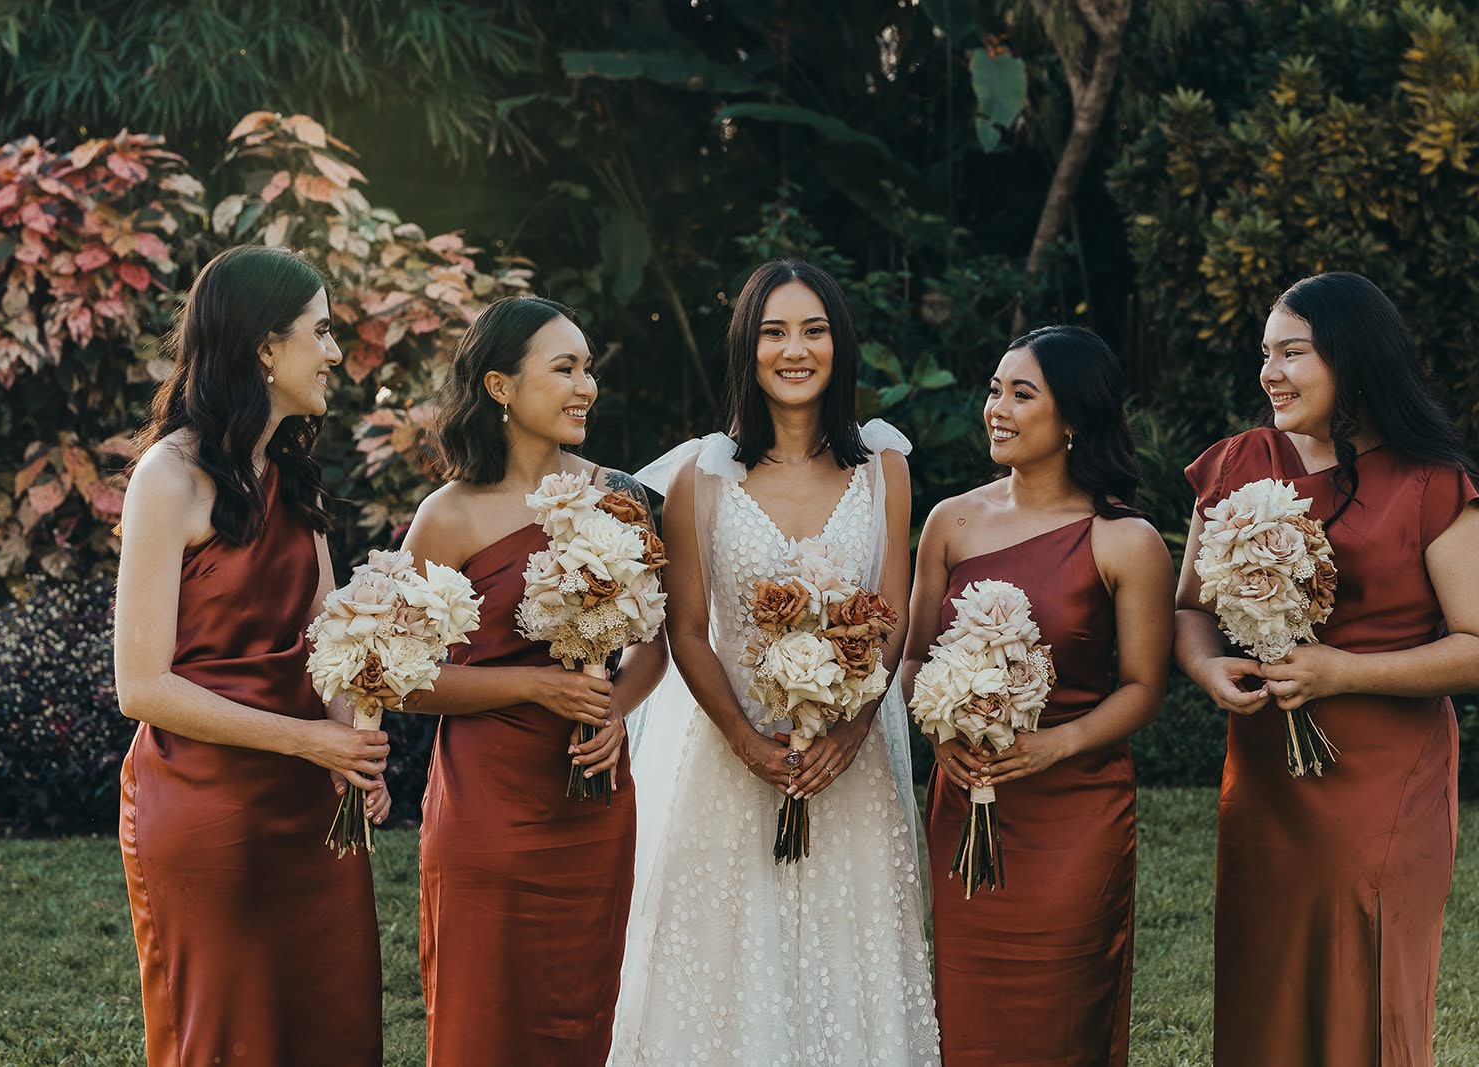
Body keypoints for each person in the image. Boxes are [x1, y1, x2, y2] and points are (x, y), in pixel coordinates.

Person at [1175, 272, 1479, 1066]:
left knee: (1364, 987)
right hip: (1264, 780)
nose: (1270, 373)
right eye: (1266, 353)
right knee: (1264, 987)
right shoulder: (1232, 464)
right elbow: (1189, 606)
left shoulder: (1433, 481)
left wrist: (1341, 670)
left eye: (1293, 352)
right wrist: (1206, 669)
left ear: (1353, 359)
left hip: (1383, 781)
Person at [612, 260, 940, 1064]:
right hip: (729, 757)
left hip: (848, 761)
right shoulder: (701, 474)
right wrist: (746, 740)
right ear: (747, 349)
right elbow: (688, 628)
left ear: (840, 344)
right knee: (727, 959)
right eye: (774, 332)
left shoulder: (885, 469)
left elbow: (890, 617)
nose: (795, 350)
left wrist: (852, 732)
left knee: (848, 949)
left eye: (814, 330)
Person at [115, 245, 386, 1066]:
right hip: (205, 810)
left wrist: (353, 746)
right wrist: (309, 740)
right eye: (323, 331)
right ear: (267, 348)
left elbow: (326, 641)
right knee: (230, 1038)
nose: (336, 351)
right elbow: (142, 686)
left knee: (332, 1024)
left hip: (310, 813)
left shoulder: (292, 476)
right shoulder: (167, 477)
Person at [399, 295, 667, 1065]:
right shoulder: (447, 515)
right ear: (500, 386)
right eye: (565, 368)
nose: (586, 386)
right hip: (487, 806)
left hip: (593, 805)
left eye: (589, 369)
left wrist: (614, 705)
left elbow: (658, 641)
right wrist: (532, 687)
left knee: (577, 1013)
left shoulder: (621, 496)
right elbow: (407, 679)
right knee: (481, 1019)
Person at [901, 325, 1173, 1066]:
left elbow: (1145, 687)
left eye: (1023, 394)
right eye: (995, 389)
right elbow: (916, 654)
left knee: (1065, 1010)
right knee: (968, 1011)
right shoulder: (950, 522)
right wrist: (942, 734)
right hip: (966, 797)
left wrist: (1057, 742)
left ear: (1074, 417)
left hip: (1076, 809)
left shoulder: (1126, 540)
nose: (998, 408)